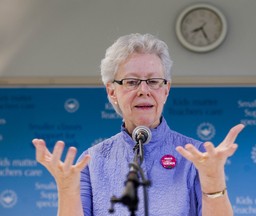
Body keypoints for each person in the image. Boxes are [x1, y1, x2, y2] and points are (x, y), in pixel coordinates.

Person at [32, 33, 244, 216]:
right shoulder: (92, 161)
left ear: (166, 89)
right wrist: (67, 189)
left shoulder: (196, 156)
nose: (144, 90)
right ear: (112, 91)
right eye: (132, 82)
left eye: (153, 81)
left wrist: (213, 180)